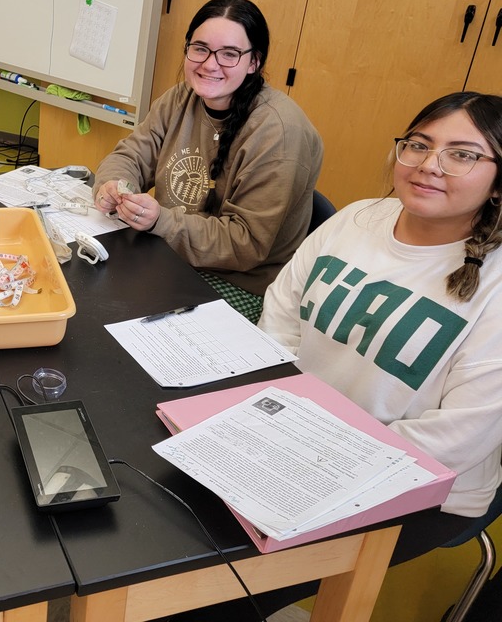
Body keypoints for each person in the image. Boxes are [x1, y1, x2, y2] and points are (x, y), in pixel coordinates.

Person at [177, 92, 502, 621]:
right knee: (166, 519)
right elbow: (278, 321)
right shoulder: (358, 220)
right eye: (418, 145)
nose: (428, 165)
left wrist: (316, 459)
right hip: (289, 439)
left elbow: (456, 440)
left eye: (462, 154)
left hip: (414, 488)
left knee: (204, 596)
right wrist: (280, 429)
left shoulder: (495, 288)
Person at [93, 0, 323, 321]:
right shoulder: (181, 97)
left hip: (241, 281)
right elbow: (132, 154)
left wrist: (161, 221)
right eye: (200, 48)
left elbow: (245, 244)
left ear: (254, 62)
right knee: (92, 296)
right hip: (171, 251)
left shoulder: (278, 132)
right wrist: (115, 185)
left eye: (229, 54)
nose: (209, 64)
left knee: (130, 329)